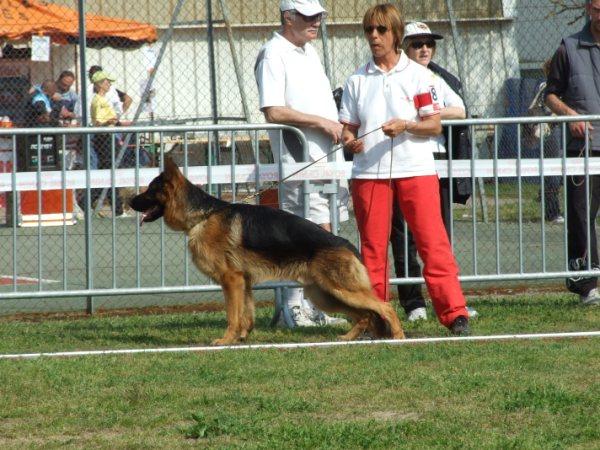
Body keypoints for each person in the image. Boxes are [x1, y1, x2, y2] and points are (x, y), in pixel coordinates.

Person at [340, 3, 471, 334]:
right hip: (369, 174)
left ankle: (455, 313)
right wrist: (349, 140)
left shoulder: (418, 76)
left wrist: (406, 126)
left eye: (381, 30)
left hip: (416, 170)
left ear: (396, 34)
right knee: (372, 250)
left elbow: (434, 126)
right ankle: (376, 318)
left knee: (433, 243)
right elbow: (348, 128)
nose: (374, 36)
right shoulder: (356, 79)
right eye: (369, 30)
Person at [254, 0, 350, 328]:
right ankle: (292, 308)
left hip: (326, 159)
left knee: (325, 235)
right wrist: (321, 123)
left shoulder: (309, 51)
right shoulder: (273, 53)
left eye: (319, 16)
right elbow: (274, 110)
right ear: (288, 17)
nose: (316, 22)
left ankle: (316, 304)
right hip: (298, 161)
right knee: (301, 235)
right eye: (309, 17)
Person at [390, 21, 477, 322]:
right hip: (404, 161)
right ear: (403, 47)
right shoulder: (395, 76)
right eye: (417, 43)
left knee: (438, 236)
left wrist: (428, 113)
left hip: (436, 161)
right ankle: (413, 301)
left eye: (429, 43)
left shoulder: (437, 78)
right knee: (404, 236)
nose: (424, 49)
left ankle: (449, 299)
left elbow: (461, 109)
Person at [545, 0, 600, 306]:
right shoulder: (568, 48)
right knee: (581, 217)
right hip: (584, 149)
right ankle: (586, 285)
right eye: (596, 8)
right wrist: (569, 115)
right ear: (588, 10)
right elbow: (550, 95)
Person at [524, 60, 563, 224]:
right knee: (553, 172)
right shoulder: (545, 87)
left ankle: (547, 194)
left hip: (568, 131)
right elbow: (536, 110)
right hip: (551, 131)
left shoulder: (568, 85)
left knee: (568, 172)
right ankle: (552, 212)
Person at [89, 70, 132, 217]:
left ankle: (115, 208)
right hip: (105, 138)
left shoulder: (103, 99)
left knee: (110, 172)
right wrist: (109, 121)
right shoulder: (97, 100)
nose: (109, 84)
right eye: (107, 82)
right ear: (100, 84)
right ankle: (89, 200)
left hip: (109, 136)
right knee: (109, 171)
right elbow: (98, 123)